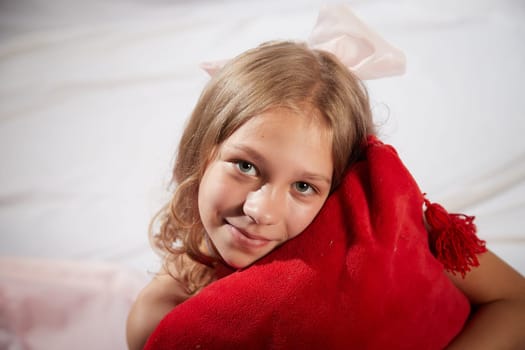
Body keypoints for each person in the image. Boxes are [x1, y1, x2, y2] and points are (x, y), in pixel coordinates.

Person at [126, 40, 525, 350]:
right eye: (245, 166)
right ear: (202, 152)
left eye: (303, 187)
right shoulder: (163, 315)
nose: (261, 210)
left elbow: (516, 303)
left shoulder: (384, 229)